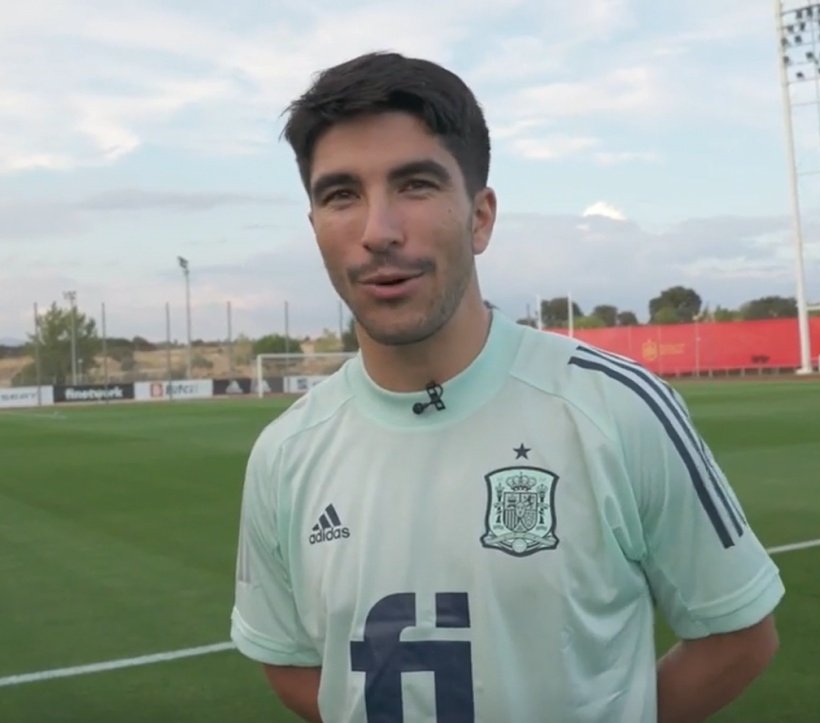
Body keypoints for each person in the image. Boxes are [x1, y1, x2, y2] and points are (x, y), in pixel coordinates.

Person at [230, 51, 784, 723]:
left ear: (481, 216)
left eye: (416, 184)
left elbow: (739, 635)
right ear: (315, 224)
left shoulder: (615, 408)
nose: (378, 231)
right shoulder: (285, 454)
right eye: (341, 194)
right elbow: (289, 660)